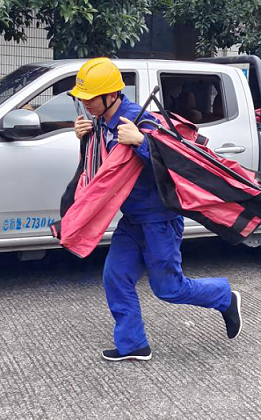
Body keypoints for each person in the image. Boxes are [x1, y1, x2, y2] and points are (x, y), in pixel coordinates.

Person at [69, 57, 243, 361]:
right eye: (81, 98)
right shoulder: (103, 122)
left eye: (90, 97)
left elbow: (176, 163)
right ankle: (133, 344)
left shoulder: (141, 120)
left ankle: (224, 296)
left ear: (111, 95)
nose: (85, 103)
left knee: (169, 288)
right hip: (132, 220)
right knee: (115, 276)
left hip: (160, 220)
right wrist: (84, 137)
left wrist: (141, 142)